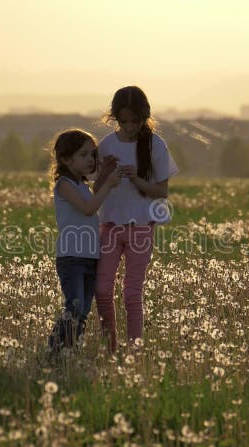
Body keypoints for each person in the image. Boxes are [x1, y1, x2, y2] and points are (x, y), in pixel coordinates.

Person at [93, 86, 179, 352]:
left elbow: (161, 193)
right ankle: (110, 347)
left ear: (144, 117)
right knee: (103, 289)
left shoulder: (155, 145)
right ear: (114, 118)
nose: (129, 127)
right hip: (109, 227)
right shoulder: (106, 145)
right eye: (123, 121)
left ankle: (134, 351)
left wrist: (137, 180)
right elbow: (96, 192)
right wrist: (106, 176)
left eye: (135, 121)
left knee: (132, 294)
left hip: (141, 229)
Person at [48, 129, 121, 351]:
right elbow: (88, 210)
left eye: (92, 154)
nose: (90, 159)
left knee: (83, 311)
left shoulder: (83, 186)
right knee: (74, 307)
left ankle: (71, 351)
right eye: (83, 154)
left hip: (90, 258)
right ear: (65, 159)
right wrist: (108, 185)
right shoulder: (64, 185)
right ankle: (55, 349)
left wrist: (106, 175)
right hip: (71, 258)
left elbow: (92, 204)